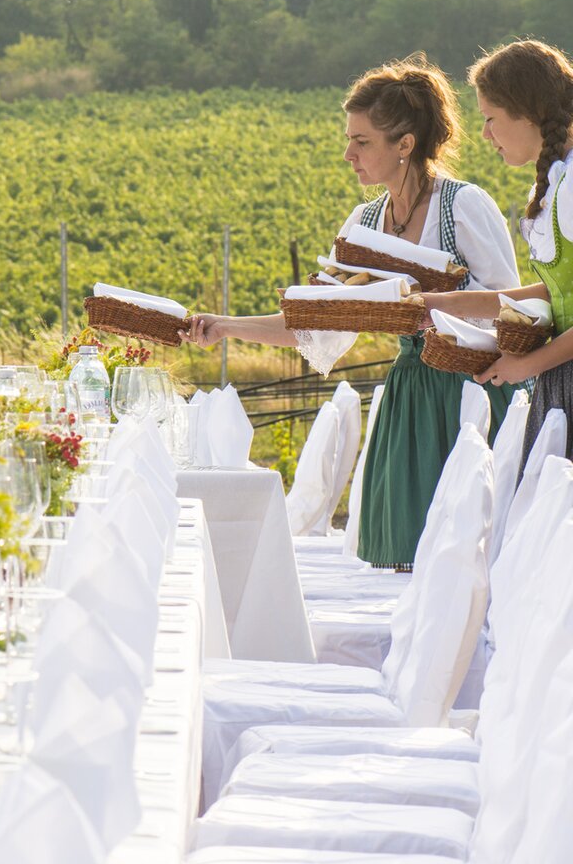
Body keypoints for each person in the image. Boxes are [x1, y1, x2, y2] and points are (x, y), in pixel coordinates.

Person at [186, 56, 521, 569]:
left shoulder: (463, 207)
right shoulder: (364, 225)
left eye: (362, 141)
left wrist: (424, 305)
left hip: (471, 396)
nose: (348, 154)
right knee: (405, 558)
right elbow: (315, 324)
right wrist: (225, 327)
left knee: (470, 561)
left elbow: (511, 313)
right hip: (410, 397)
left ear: (404, 144)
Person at [424, 39, 573, 466]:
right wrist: (442, 304)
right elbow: (553, 294)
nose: (485, 134)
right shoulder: (557, 183)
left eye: (490, 118)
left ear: (527, 113)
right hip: (560, 382)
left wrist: (528, 365)